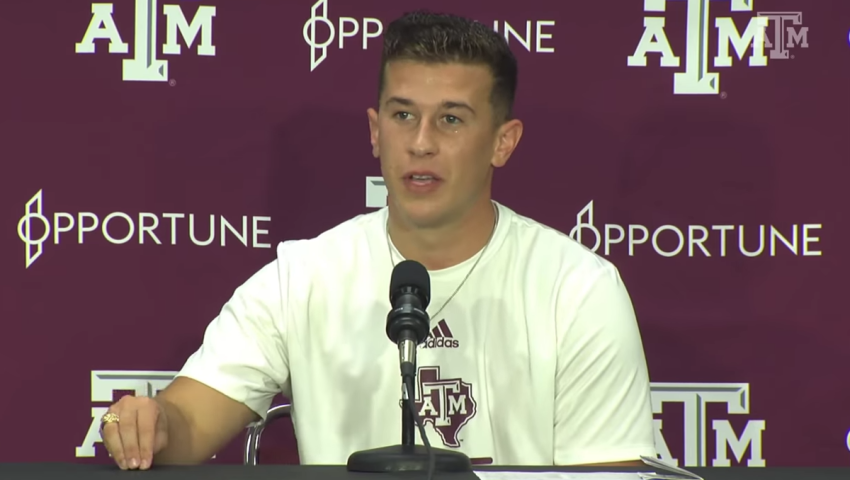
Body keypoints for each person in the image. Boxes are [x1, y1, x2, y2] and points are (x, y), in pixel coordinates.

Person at [99, 10, 657, 471]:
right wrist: (153, 424)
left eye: (452, 121)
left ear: (502, 142)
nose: (420, 143)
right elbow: (189, 422)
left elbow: (608, 472)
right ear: (374, 131)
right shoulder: (305, 275)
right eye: (402, 115)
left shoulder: (577, 289)